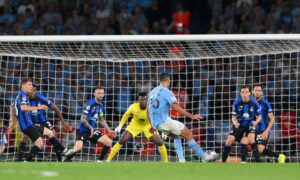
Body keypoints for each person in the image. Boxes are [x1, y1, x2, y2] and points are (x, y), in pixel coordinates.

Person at [148, 73, 218, 162]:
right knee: (188, 135)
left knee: (177, 137)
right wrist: (191, 116)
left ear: (159, 81)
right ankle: (204, 157)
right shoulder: (167, 92)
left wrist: (152, 125)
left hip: (157, 124)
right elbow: (175, 107)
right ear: (169, 81)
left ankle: (181, 160)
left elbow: (148, 110)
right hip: (164, 121)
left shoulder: (152, 92)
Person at [107, 92, 168, 162]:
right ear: (138, 100)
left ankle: (166, 162)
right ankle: (108, 160)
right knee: (122, 140)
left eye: (145, 99)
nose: (143, 101)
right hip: (135, 125)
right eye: (141, 100)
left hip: (148, 125)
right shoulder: (133, 107)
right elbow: (126, 115)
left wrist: (163, 129)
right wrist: (120, 126)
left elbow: (160, 117)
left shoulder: (153, 107)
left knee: (159, 142)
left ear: (148, 100)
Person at [64, 87, 117, 162]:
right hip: (82, 130)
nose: (101, 95)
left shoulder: (101, 105)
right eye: (99, 93)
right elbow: (82, 119)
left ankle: (100, 162)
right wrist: (90, 128)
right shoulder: (89, 104)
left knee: (109, 142)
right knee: (78, 148)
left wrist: (109, 130)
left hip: (91, 131)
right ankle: (66, 158)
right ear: (94, 94)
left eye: (102, 93)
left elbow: (101, 119)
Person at [222, 86, 262, 163]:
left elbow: (259, 117)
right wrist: (235, 123)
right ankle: (223, 161)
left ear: (250, 93)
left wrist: (256, 122)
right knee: (229, 140)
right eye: (243, 92)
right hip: (239, 125)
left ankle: (257, 161)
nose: (244, 94)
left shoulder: (254, 103)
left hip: (250, 125)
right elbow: (233, 117)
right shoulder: (236, 103)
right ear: (240, 93)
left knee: (249, 139)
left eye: (246, 92)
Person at [13, 78, 49, 161]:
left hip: (25, 124)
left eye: (32, 85)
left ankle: (19, 159)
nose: (31, 86)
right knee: (40, 143)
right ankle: (27, 160)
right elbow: (23, 108)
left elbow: (13, 107)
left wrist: (13, 120)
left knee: (24, 138)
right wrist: (39, 107)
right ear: (23, 86)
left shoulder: (22, 95)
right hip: (27, 124)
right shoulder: (23, 96)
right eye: (29, 84)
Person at [252, 85, 285, 163]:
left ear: (262, 93)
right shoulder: (249, 102)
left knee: (260, 149)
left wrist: (266, 131)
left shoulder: (265, 103)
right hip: (251, 130)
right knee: (246, 143)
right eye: (256, 90)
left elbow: (272, 118)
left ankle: (279, 156)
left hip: (262, 130)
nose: (257, 92)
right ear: (252, 92)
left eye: (259, 90)